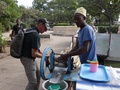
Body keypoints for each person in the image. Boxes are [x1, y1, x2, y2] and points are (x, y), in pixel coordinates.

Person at [20, 18, 49, 90]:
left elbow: (36, 48)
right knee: (32, 82)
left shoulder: (31, 30)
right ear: (40, 24)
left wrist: (44, 54)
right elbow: (34, 54)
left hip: (28, 57)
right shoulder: (35, 35)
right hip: (27, 59)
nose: (45, 30)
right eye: (44, 27)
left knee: (38, 75)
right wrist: (44, 57)